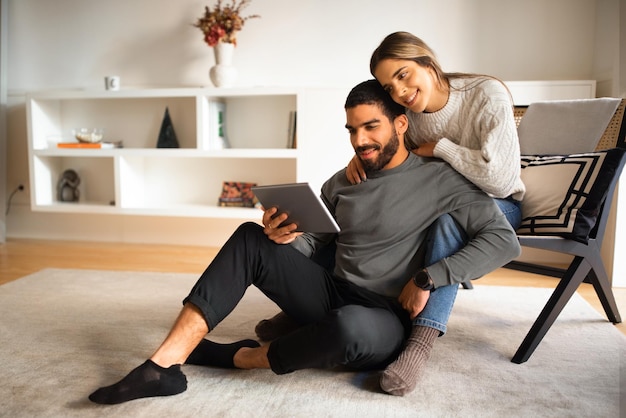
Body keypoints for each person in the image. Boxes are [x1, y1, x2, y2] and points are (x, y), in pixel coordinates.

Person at [88, 79, 521, 405]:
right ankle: (163, 365)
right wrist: (284, 236)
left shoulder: (440, 179)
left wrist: (430, 277)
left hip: (383, 317)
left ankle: (239, 358)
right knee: (250, 237)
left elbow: (503, 241)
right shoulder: (344, 180)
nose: (360, 141)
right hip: (328, 291)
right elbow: (313, 246)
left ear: (401, 124)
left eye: (371, 127)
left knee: (347, 329)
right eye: (352, 129)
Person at [256, 32, 527, 396]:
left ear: (427, 63)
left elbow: (502, 177)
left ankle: (420, 340)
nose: (399, 92)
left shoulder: (485, 94)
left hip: (498, 202)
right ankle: (317, 304)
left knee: (444, 224)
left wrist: (443, 149)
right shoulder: (410, 113)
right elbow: (391, 147)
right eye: (389, 85)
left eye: (403, 75)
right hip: (444, 194)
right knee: (357, 207)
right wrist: (363, 154)